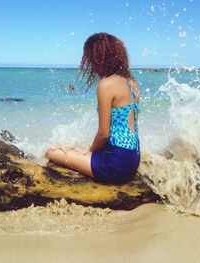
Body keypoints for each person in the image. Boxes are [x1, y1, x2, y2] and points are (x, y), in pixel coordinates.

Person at [45, 32, 140, 184]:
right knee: (74, 150)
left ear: (100, 58)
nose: (89, 64)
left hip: (115, 165)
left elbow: (104, 134)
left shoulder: (106, 85)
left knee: (51, 151)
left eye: (90, 59)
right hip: (132, 159)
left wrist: (89, 152)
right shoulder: (131, 82)